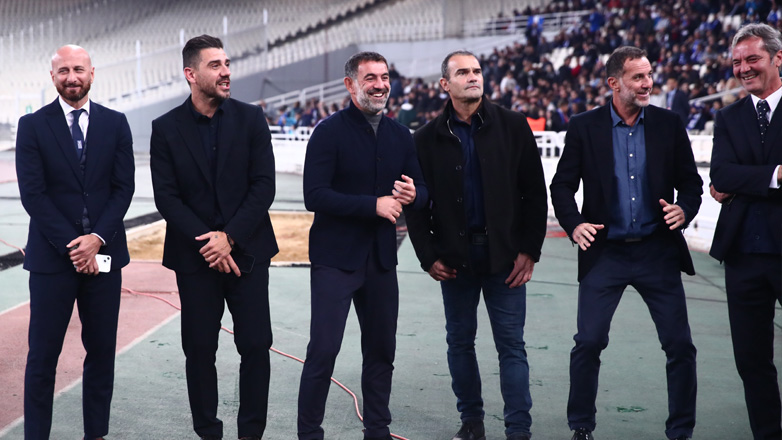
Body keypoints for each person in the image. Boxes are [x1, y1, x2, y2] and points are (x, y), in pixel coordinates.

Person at [550, 46, 703, 440]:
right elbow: (562, 186)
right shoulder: (584, 126)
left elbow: (691, 183)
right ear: (614, 83)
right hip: (605, 252)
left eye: (649, 75)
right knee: (588, 342)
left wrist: (684, 209)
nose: (647, 83)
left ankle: (681, 431)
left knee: (680, 345)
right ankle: (581, 426)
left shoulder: (669, 124)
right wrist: (575, 225)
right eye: (638, 77)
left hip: (658, 252)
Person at [405, 50, 548, 440]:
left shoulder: (513, 125)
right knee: (459, 343)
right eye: (463, 72)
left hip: (506, 258)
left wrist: (529, 250)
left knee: (512, 346)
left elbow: (535, 193)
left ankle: (518, 430)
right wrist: (428, 256)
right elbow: (416, 205)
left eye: (477, 71)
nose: (473, 77)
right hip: (455, 262)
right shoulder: (425, 138)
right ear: (444, 84)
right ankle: (471, 422)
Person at [150, 34, 277, 440]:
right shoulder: (165, 128)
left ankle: (250, 434)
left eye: (227, 64)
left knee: (255, 345)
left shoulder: (251, 119)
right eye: (215, 65)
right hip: (195, 259)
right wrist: (211, 242)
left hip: (248, 254)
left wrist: (230, 238)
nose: (226, 72)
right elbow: (167, 198)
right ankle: (208, 432)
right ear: (191, 74)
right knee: (200, 350)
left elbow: (264, 185)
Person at [297, 51, 428, 440]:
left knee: (381, 352)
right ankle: (309, 434)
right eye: (370, 78)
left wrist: (415, 195)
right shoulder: (328, 132)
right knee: (323, 351)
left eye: (384, 77)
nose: (380, 85)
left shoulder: (400, 135)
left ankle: (378, 430)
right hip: (335, 259)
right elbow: (314, 195)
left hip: (382, 261)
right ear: (350, 84)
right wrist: (373, 205)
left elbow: (423, 191)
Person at [16, 44, 135, 440]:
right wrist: (75, 244)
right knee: (42, 356)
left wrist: (97, 239)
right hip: (52, 261)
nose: (72, 77)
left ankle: (95, 434)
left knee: (101, 353)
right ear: (53, 77)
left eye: (79, 69)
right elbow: (33, 195)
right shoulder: (32, 126)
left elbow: (123, 189)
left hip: (104, 257)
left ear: (92, 73)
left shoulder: (116, 124)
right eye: (64, 70)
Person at [709, 23, 782, 440]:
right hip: (742, 255)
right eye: (737, 62)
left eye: (752, 58)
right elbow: (721, 175)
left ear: (777, 58)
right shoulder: (728, 117)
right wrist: (775, 175)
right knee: (751, 360)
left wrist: (744, 179)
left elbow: (732, 178)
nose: (744, 68)